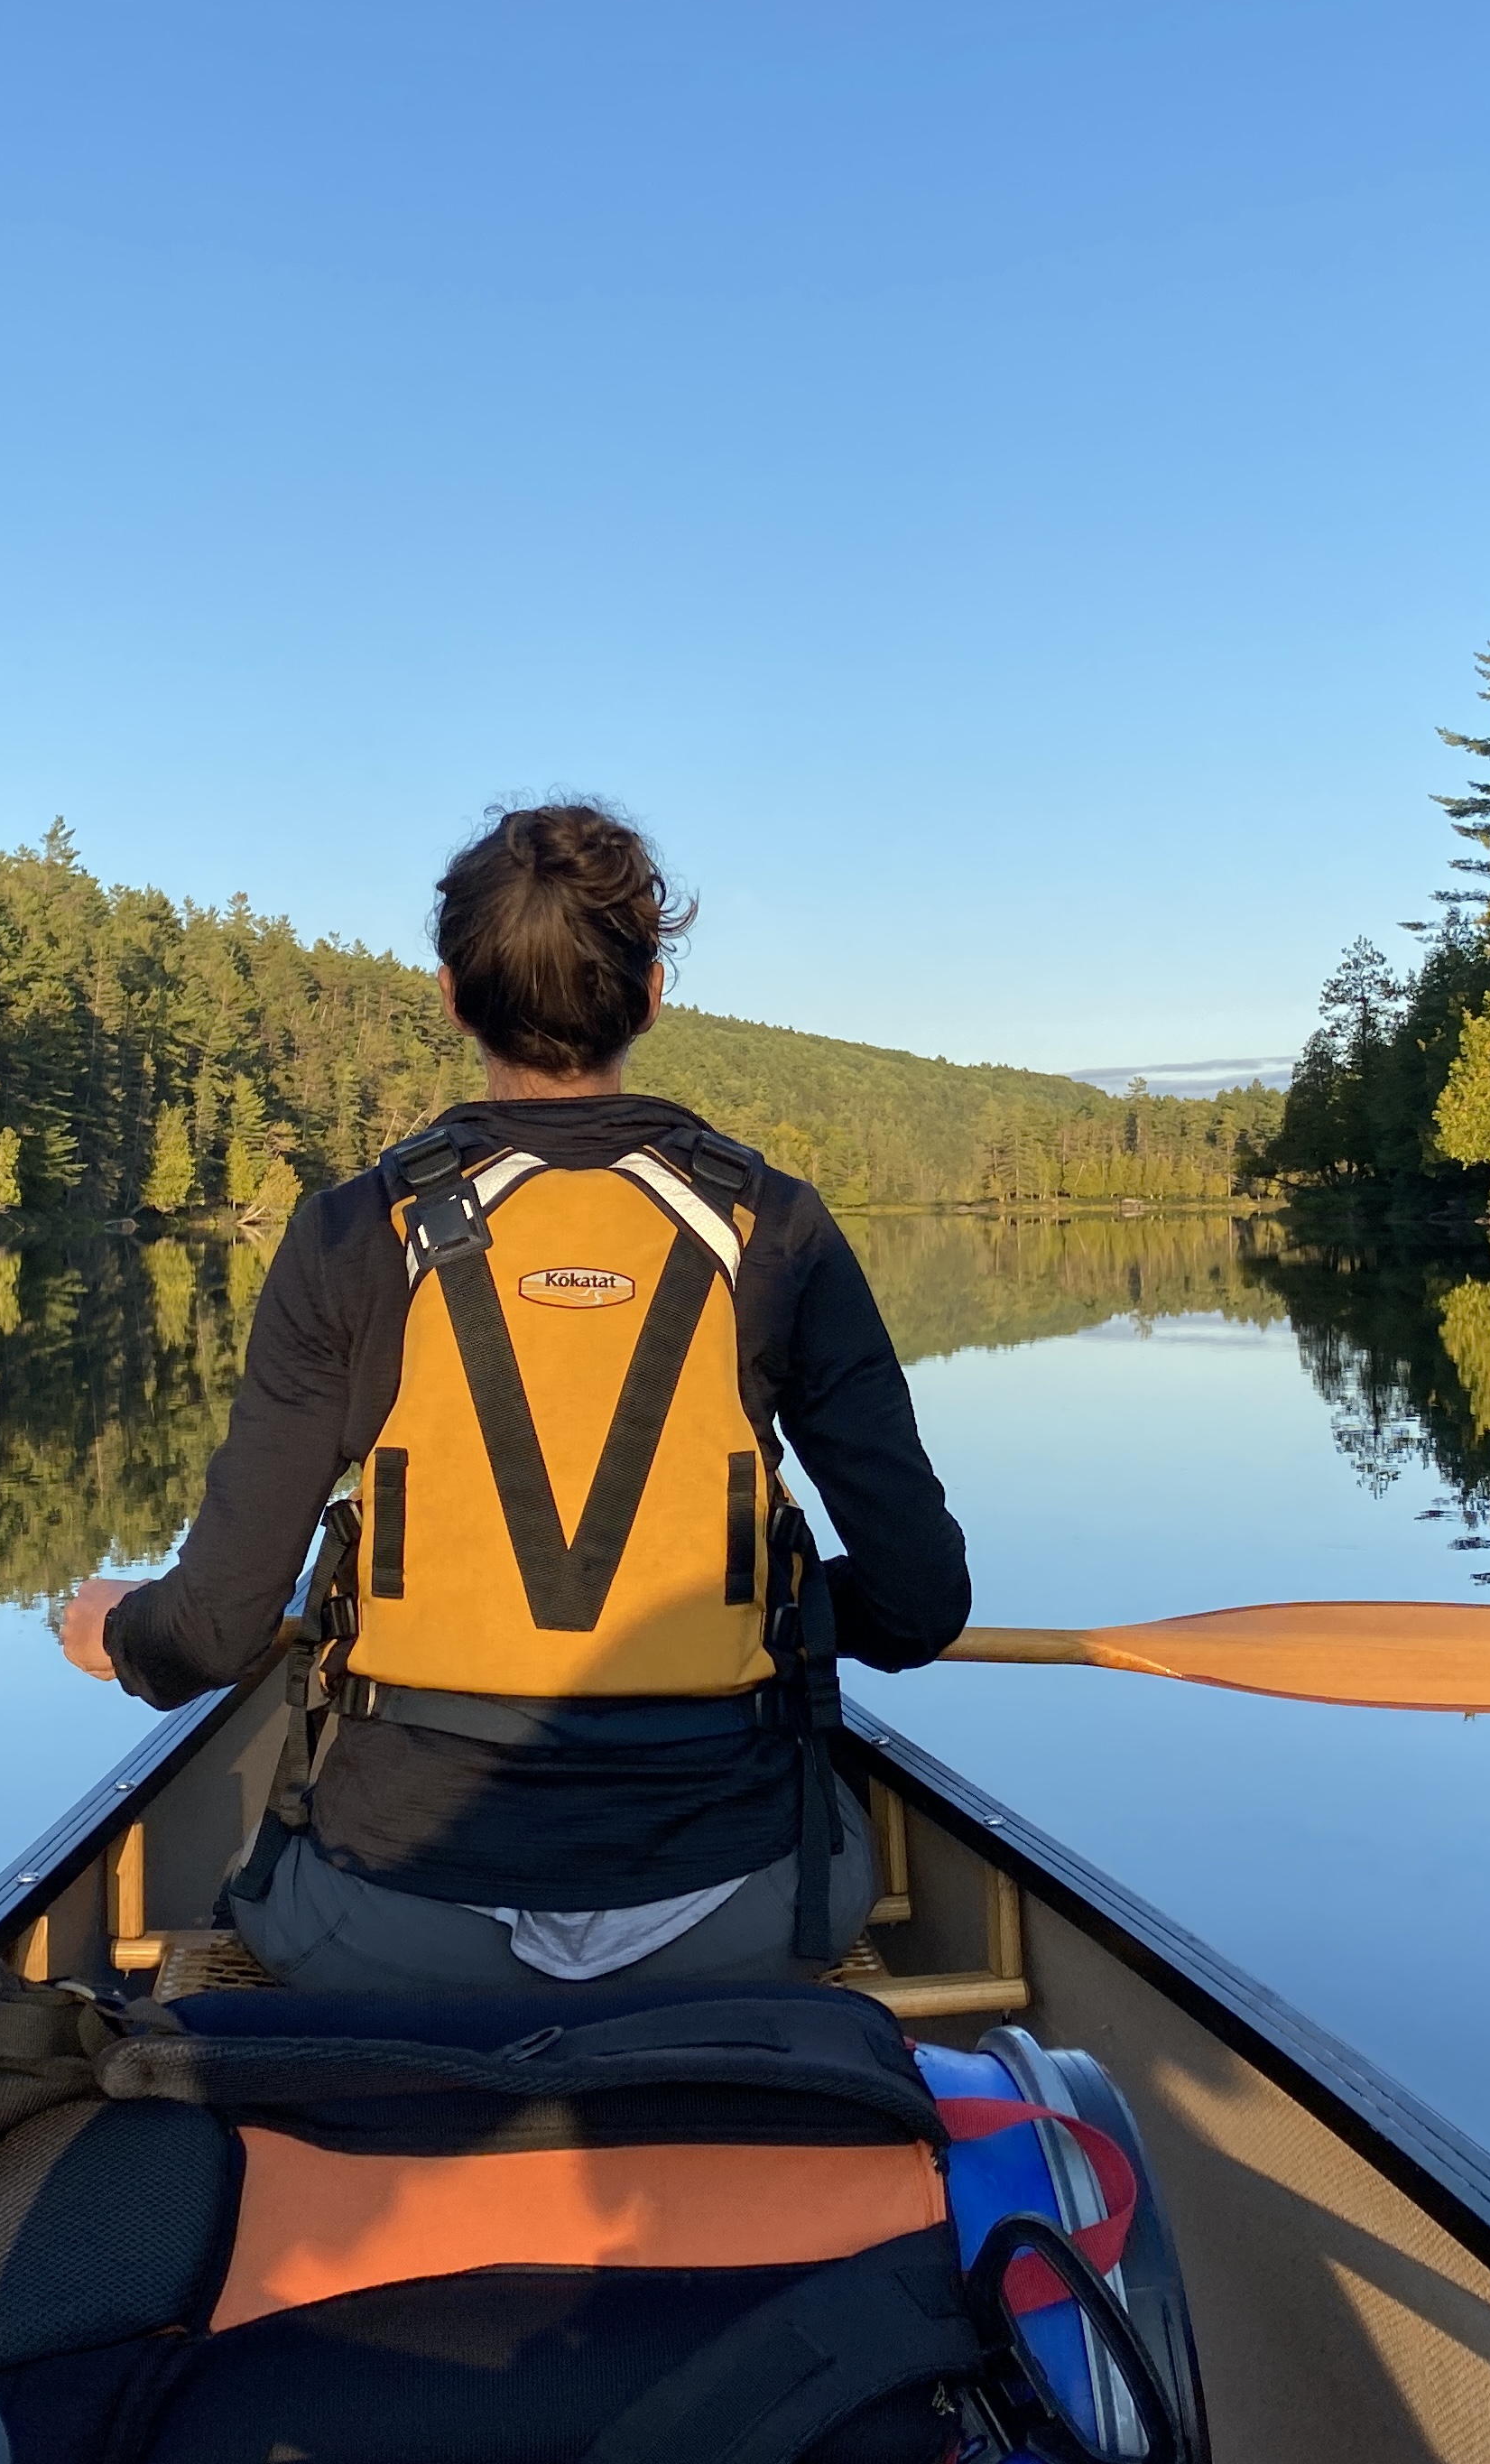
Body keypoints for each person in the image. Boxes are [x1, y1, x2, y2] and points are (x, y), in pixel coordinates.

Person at [61, 801, 971, 1991]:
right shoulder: (777, 1226)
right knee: (828, 1824)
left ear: (451, 997)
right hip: (741, 1910)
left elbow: (216, 1631)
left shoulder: (348, 1234)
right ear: (650, 995)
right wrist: (771, 1611)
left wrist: (118, 1632)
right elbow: (918, 1605)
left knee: (280, 1860)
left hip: (391, 1921)